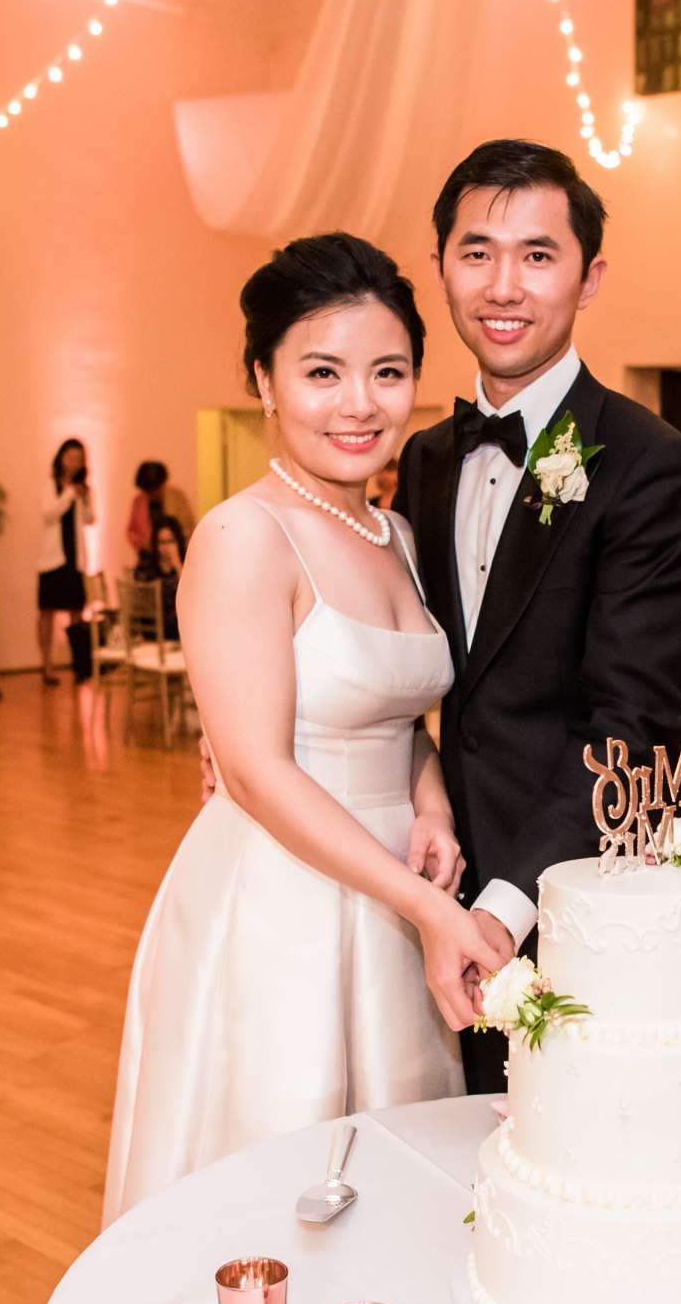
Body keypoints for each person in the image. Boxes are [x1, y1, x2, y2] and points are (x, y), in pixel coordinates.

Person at [103, 233, 501, 1220]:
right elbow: (252, 769)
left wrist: (432, 805)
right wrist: (425, 910)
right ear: (263, 381)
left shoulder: (397, 533)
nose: (358, 403)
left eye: (387, 372)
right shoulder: (244, 536)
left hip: (395, 888)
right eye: (322, 372)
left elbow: (400, 718)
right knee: (279, 1176)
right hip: (281, 892)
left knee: (394, 1181)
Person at [394, 138, 681, 1095]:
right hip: (449, 870)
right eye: (477, 252)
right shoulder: (425, 458)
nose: (504, 285)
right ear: (441, 269)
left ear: (588, 278)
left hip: (597, 885)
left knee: (600, 1160)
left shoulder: (651, 464)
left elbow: (635, 723)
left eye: (538, 255)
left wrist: (499, 911)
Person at [38, 438, 95, 684]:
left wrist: (83, 498)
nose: (74, 462)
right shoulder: (51, 484)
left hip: (75, 558)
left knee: (76, 611)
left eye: (79, 458)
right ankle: (47, 665)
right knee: (46, 612)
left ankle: (79, 663)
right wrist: (70, 493)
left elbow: (90, 519)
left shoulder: (85, 488)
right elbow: (48, 514)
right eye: (71, 457)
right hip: (52, 558)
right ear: (61, 458)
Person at [122, 459, 196, 561]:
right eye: (146, 491)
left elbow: (188, 529)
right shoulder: (138, 501)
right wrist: (145, 544)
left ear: (162, 484)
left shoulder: (177, 498)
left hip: (176, 558)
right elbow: (132, 532)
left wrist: (171, 546)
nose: (150, 495)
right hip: (149, 560)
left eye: (153, 490)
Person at [140, 515, 186, 642]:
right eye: (162, 542)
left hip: (180, 628)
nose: (166, 547)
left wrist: (177, 564)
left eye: (170, 541)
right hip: (154, 630)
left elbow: (191, 594)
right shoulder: (148, 566)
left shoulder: (186, 564)